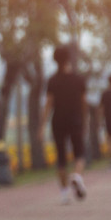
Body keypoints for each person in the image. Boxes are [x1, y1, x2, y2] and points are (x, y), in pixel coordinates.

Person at [44, 45, 88, 204]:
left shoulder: (52, 81)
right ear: (69, 59)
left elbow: (48, 104)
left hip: (58, 121)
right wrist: (85, 120)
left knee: (61, 157)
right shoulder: (78, 79)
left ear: (55, 60)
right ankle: (76, 175)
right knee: (80, 154)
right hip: (75, 119)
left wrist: (42, 126)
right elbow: (84, 103)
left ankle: (64, 194)